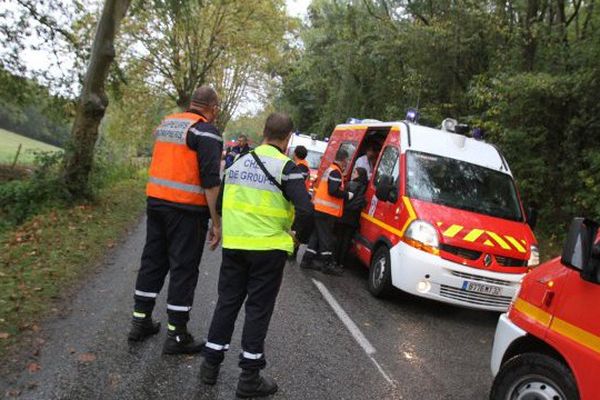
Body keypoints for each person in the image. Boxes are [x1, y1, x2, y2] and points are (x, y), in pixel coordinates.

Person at [199, 113, 314, 398]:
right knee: (257, 311)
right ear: (288, 139)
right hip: (268, 251)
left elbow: (223, 202)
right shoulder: (287, 168)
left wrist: (220, 228)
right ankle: (249, 378)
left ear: (263, 132)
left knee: (227, 303)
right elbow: (307, 210)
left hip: (235, 246)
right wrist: (297, 237)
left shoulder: (238, 161)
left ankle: (209, 366)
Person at [128, 86, 222, 355]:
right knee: (183, 268)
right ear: (211, 108)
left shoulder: (168, 124)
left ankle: (140, 321)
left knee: (153, 260)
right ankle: (177, 335)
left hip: (156, 202)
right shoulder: (206, 131)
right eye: (216, 109)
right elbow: (210, 182)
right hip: (186, 211)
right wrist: (215, 222)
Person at [299, 150, 350, 276]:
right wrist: (347, 194)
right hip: (326, 211)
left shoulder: (330, 169)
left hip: (320, 208)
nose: (347, 164)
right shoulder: (336, 172)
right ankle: (326, 264)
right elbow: (333, 190)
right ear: (343, 160)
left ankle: (307, 260)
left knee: (316, 235)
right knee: (326, 238)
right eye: (347, 161)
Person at [334, 167, 368, 268]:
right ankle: (341, 263)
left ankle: (335, 260)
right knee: (347, 240)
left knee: (339, 239)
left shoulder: (351, 184)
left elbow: (344, 198)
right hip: (354, 218)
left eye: (355, 172)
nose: (353, 174)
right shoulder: (364, 187)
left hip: (344, 215)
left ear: (359, 175)